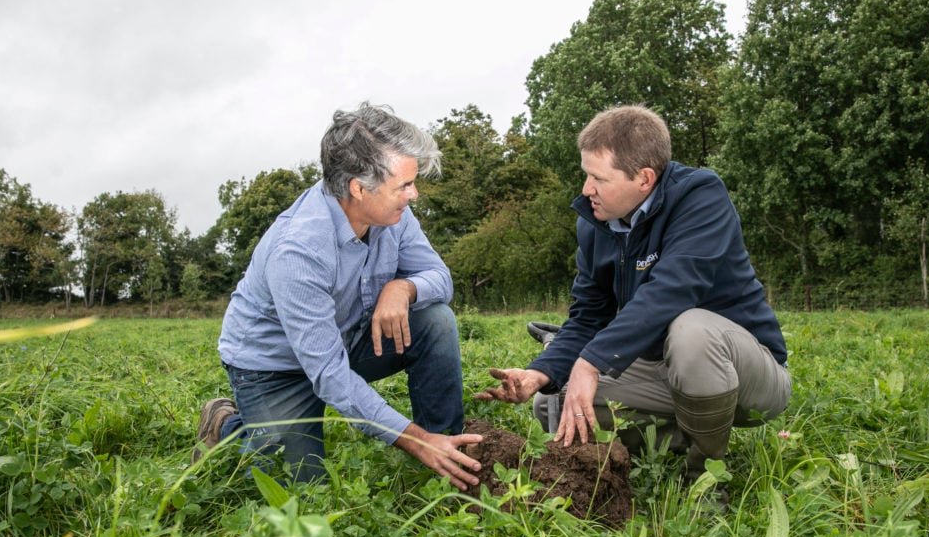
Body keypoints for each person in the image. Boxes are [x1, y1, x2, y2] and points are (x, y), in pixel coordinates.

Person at [475, 104, 790, 485]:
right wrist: (539, 374)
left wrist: (590, 363)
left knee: (691, 329)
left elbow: (673, 290)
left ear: (644, 178)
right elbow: (588, 317)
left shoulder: (700, 196)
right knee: (555, 403)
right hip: (664, 370)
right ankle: (695, 433)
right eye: (585, 175)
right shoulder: (596, 223)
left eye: (598, 178)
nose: (586, 190)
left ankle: (706, 479)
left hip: (747, 373)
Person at [193, 102, 483, 491]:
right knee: (297, 491)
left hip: (348, 339)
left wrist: (403, 287)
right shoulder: (298, 250)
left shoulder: (393, 215)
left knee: (434, 320)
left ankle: (448, 450)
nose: (413, 195)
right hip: (275, 368)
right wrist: (410, 438)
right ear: (358, 188)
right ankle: (227, 426)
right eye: (404, 186)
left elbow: (440, 278)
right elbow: (329, 375)